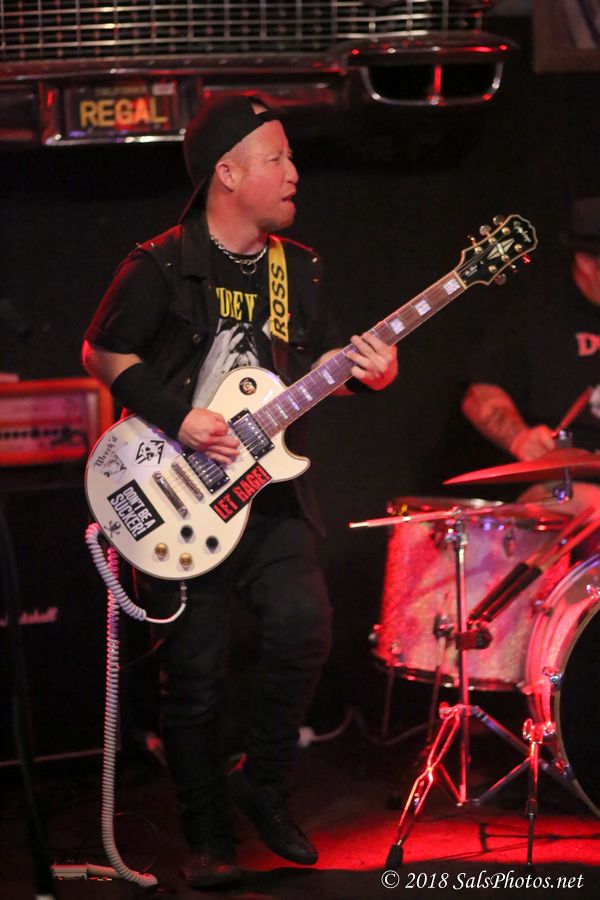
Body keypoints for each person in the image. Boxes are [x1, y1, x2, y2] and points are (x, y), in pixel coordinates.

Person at [82, 95, 397, 890]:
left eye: (291, 157)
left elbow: (317, 373)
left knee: (305, 623)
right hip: (176, 492)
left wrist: (369, 376)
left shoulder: (299, 268)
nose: (294, 173)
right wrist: (178, 417)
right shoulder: (160, 263)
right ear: (227, 173)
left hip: (267, 489)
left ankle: (263, 780)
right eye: (276, 158)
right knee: (193, 673)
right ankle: (208, 838)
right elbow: (101, 351)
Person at [461, 196, 600, 528]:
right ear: (585, 261)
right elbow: (480, 395)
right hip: (559, 485)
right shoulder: (535, 315)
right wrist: (520, 438)